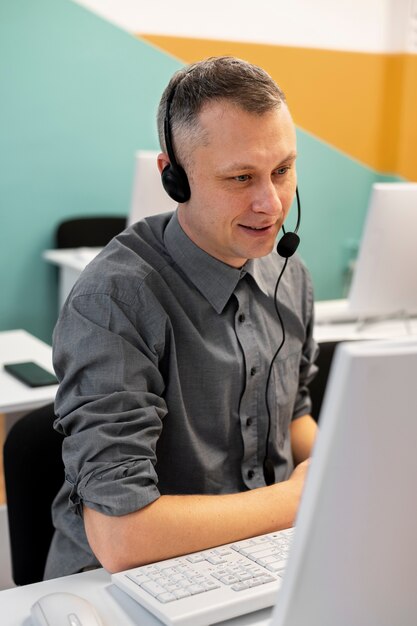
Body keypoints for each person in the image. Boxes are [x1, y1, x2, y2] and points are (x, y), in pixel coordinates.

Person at [44, 56, 318, 580]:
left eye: (282, 170)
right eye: (240, 178)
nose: (272, 205)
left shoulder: (289, 272)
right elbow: (122, 535)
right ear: (174, 179)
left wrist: (354, 470)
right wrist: (300, 499)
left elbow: (293, 413)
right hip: (124, 583)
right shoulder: (115, 298)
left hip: (258, 555)